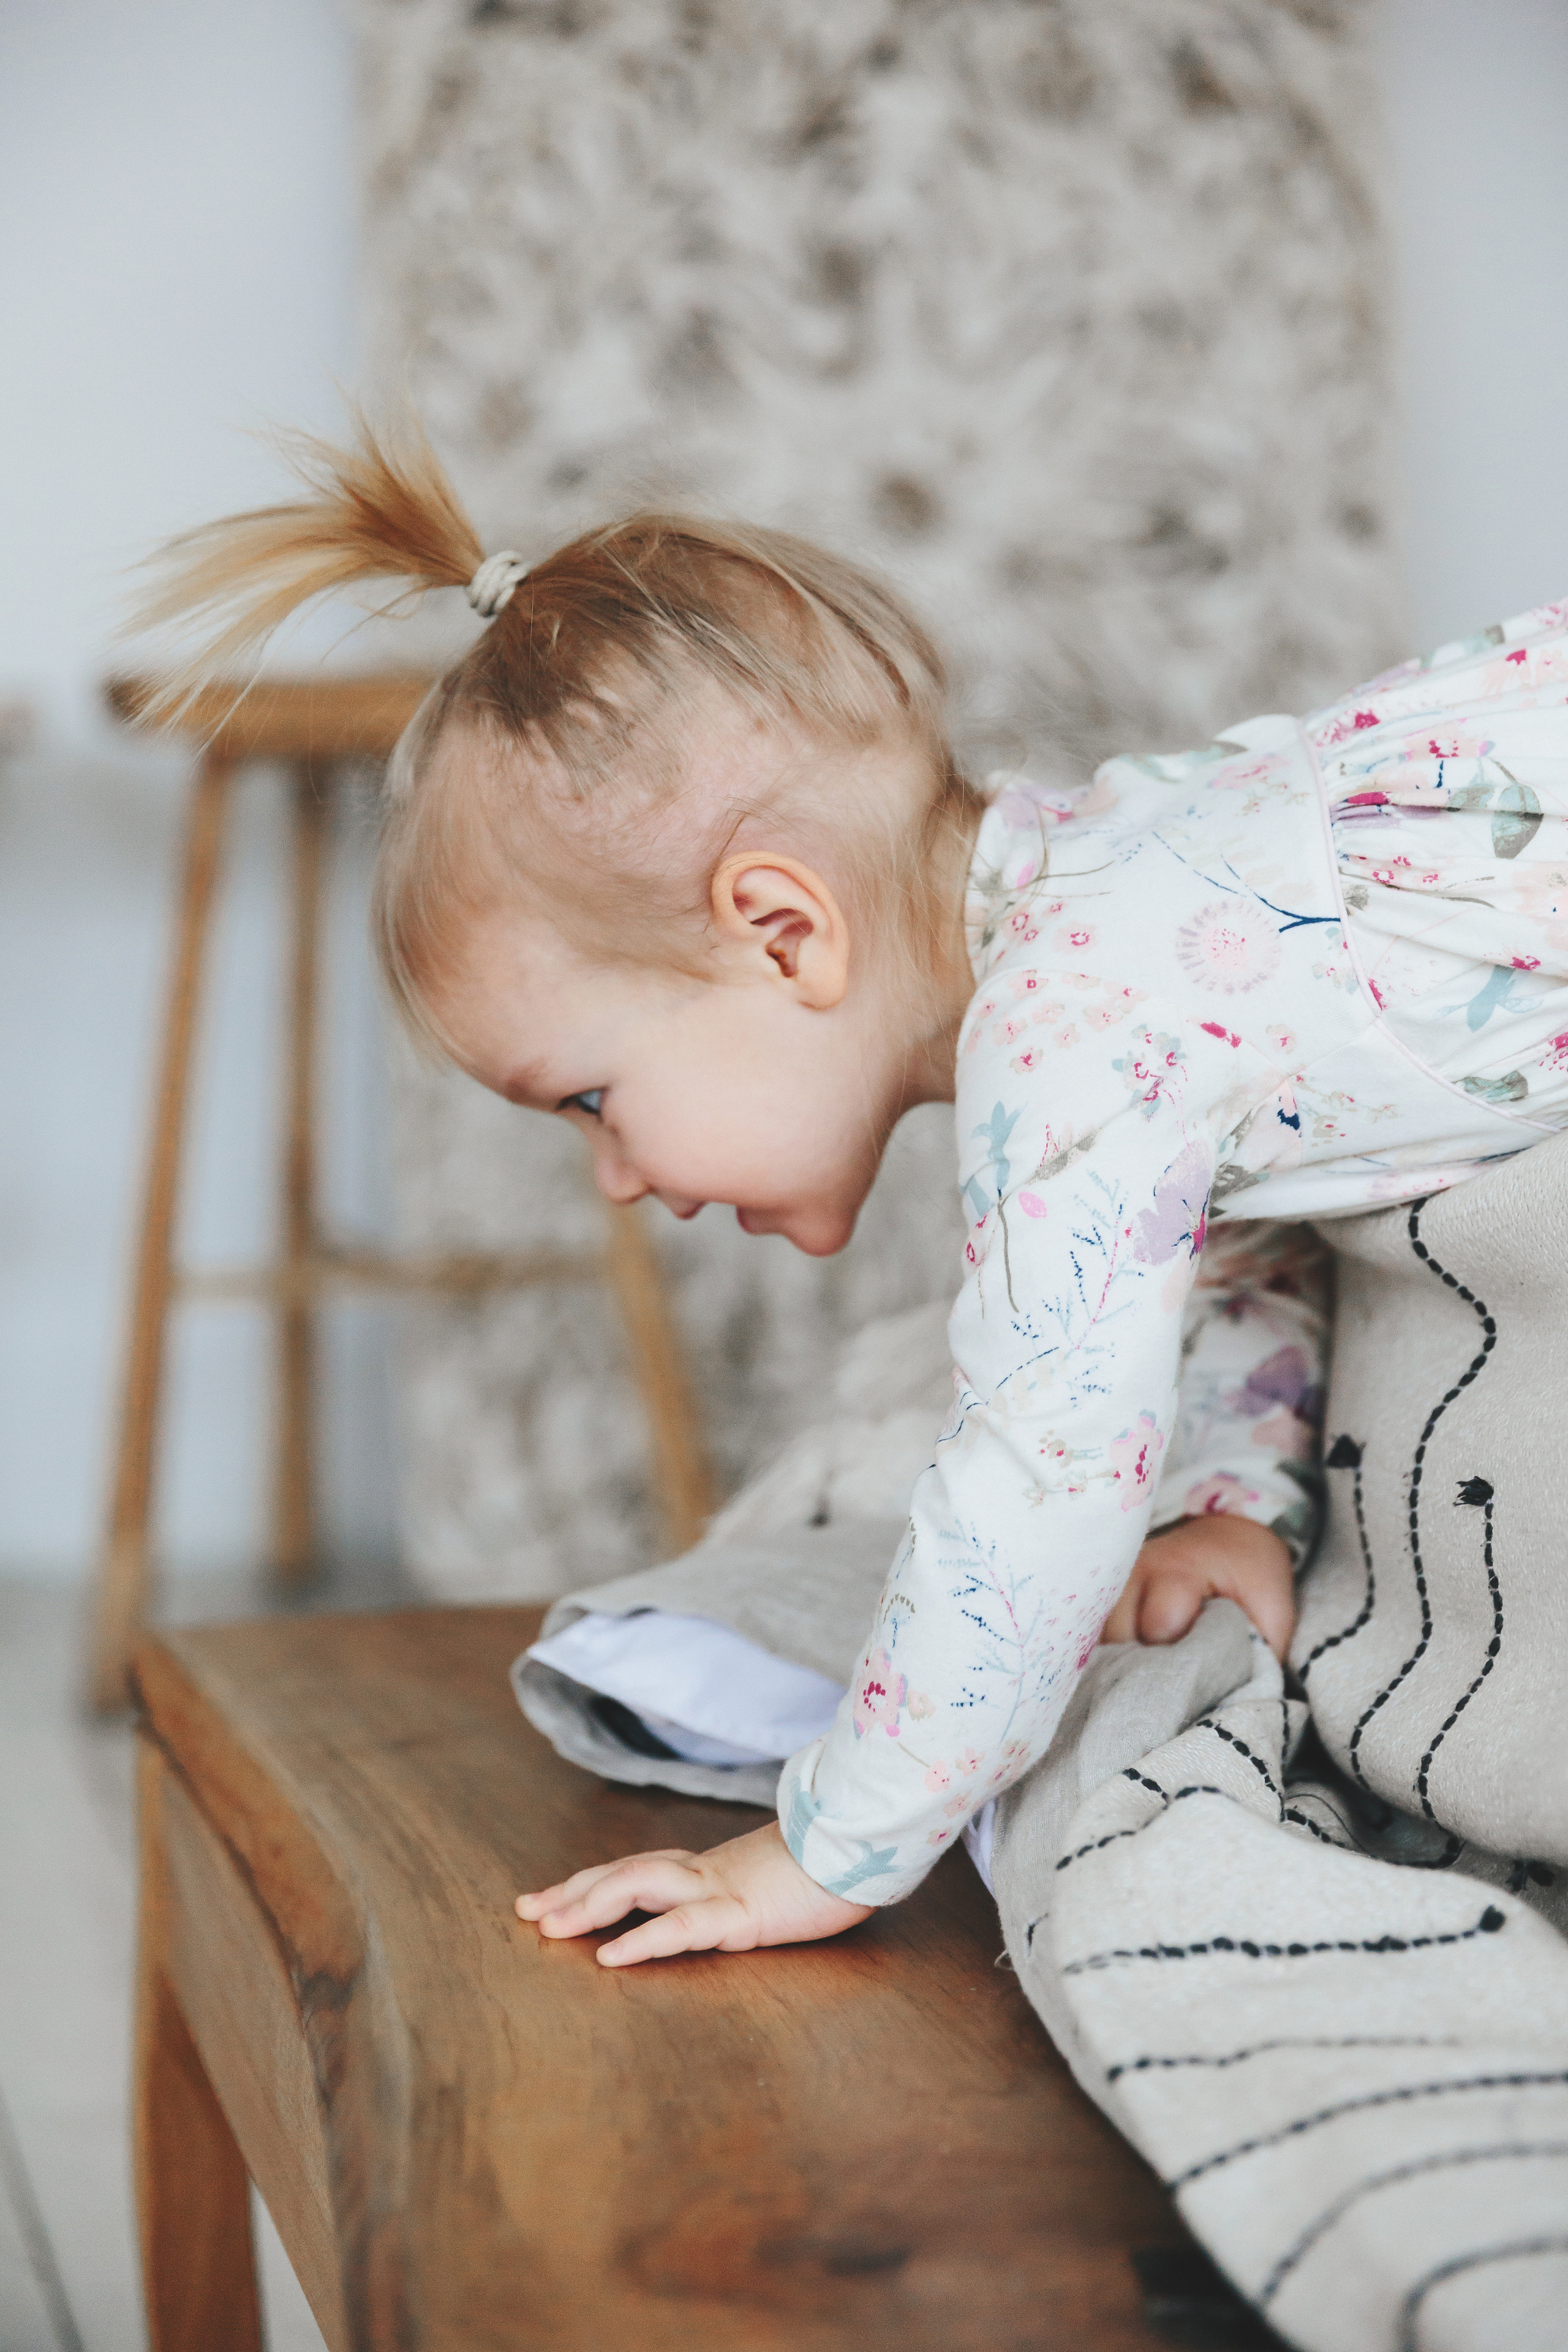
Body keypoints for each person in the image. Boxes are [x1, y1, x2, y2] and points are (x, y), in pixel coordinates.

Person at [137, 414, 1568, 1967]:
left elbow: (1040, 1469)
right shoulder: (1114, 900)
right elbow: (1240, 1218)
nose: (616, 1179)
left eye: (596, 1102)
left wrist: (827, 1846)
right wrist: (1233, 1499)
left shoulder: (1065, 1018)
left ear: (775, 931)